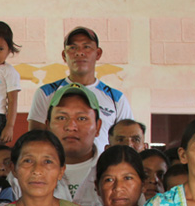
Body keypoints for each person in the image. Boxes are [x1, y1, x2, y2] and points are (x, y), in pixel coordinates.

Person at [28, 26, 133, 156]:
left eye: (86, 47)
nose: (79, 52)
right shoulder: (45, 93)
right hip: (59, 168)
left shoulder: (116, 98)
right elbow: (35, 142)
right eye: (73, 48)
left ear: (98, 53)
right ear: (64, 55)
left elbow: (128, 140)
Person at [44, 83, 104, 206]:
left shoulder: (112, 172)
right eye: (61, 118)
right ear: (48, 126)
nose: (71, 127)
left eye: (82, 118)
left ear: (98, 127)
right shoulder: (24, 173)